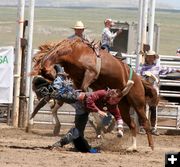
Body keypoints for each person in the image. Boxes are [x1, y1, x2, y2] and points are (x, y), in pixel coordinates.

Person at [138, 50, 180, 136]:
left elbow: (168, 69)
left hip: (154, 90)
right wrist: (144, 77)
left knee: (153, 109)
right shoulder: (141, 67)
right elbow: (137, 77)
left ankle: (153, 128)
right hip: (144, 90)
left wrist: (177, 70)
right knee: (143, 108)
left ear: (154, 58)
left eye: (152, 56)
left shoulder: (157, 67)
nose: (150, 58)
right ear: (146, 57)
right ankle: (143, 127)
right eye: (149, 56)